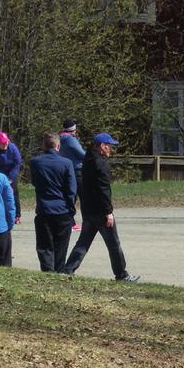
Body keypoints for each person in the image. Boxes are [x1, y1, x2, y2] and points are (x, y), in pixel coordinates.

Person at [64, 132, 137, 282]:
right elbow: (103, 190)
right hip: (101, 212)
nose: (110, 149)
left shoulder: (87, 160)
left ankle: (68, 269)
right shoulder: (101, 164)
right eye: (109, 146)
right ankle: (121, 275)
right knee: (114, 244)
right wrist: (108, 212)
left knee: (83, 242)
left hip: (89, 210)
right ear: (102, 146)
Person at [30, 131, 77, 273]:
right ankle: (59, 271)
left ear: (44, 146)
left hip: (44, 209)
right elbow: (71, 189)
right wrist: (71, 208)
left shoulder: (35, 162)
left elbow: (34, 182)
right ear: (58, 146)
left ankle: (47, 272)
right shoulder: (66, 163)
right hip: (62, 210)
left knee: (45, 246)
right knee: (61, 246)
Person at [0, 132, 22, 224]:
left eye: (6, 142)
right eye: (2, 143)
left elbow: (17, 163)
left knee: (13, 194)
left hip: (11, 174)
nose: (5, 144)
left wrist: (10, 178)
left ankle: (17, 215)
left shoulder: (12, 148)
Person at [59, 119, 86, 230]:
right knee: (83, 197)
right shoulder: (71, 140)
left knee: (70, 197)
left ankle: (69, 221)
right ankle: (87, 221)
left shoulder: (59, 139)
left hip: (64, 170)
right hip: (76, 171)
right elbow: (82, 154)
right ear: (73, 130)